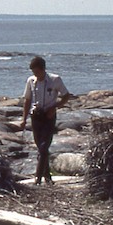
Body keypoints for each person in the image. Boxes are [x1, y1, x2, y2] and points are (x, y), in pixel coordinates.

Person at [20, 56, 73, 184]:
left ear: (43, 69)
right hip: (36, 116)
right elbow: (27, 100)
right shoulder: (31, 81)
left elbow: (66, 96)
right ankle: (48, 178)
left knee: (44, 147)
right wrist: (24, 119)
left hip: (48, 116)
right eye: (33, 72)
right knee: (40, 148)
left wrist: (55, 108)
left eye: (37, 72)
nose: (35, 75)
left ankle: (38, 179)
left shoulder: (55, 80)